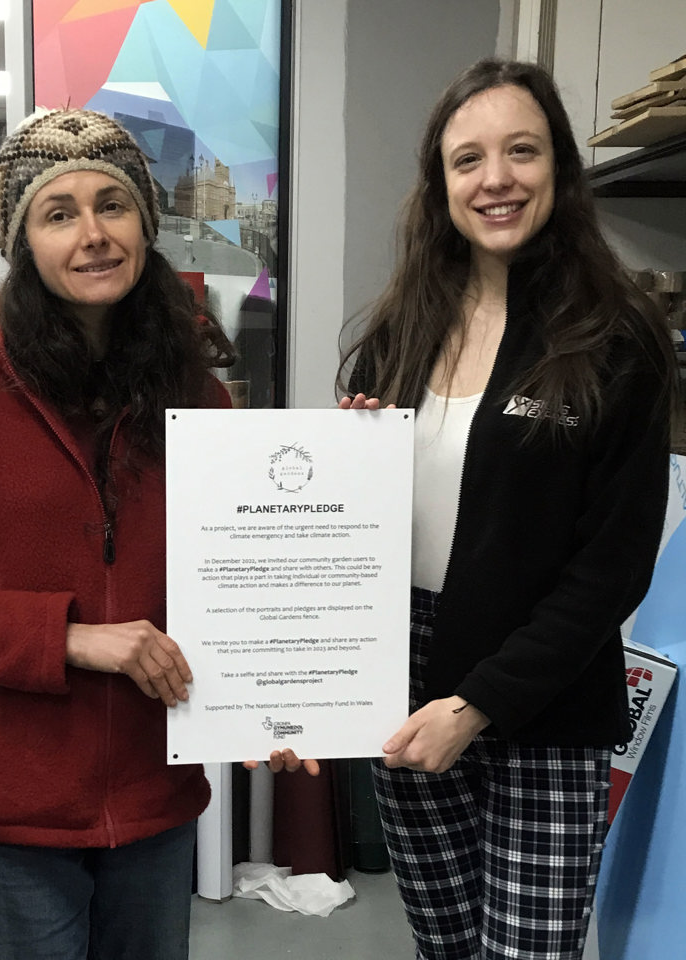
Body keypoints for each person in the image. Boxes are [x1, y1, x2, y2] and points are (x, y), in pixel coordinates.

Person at [0, 108, 241, 960]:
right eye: (59, 213)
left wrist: (273, 698)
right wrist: (72, 638)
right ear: (23, 243)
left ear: (145, 224)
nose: (93, 234)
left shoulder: (198, 398)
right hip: (15, 815)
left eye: (113, 204)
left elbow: (239, 576)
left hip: (157, 798)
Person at [338, 58, 679, 960]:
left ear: (558, 166)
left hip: (543, 691)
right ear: (439, 183)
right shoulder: (399, 331)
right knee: (443, 944)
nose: (496, 179)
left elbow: (612, 567)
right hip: (404, 679)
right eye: (469, 159)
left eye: (521, 151)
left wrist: (480, 703)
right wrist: (349, 463)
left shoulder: (615, 336)